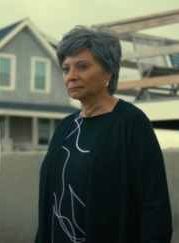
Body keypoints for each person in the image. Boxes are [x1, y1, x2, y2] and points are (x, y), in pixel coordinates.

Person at [35, 26, 172, 243]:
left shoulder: (132, 123)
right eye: (65, 69)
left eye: (82, 66)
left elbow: (155, 209)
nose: (71, 76)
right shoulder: (65, 127)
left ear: (108, 71)